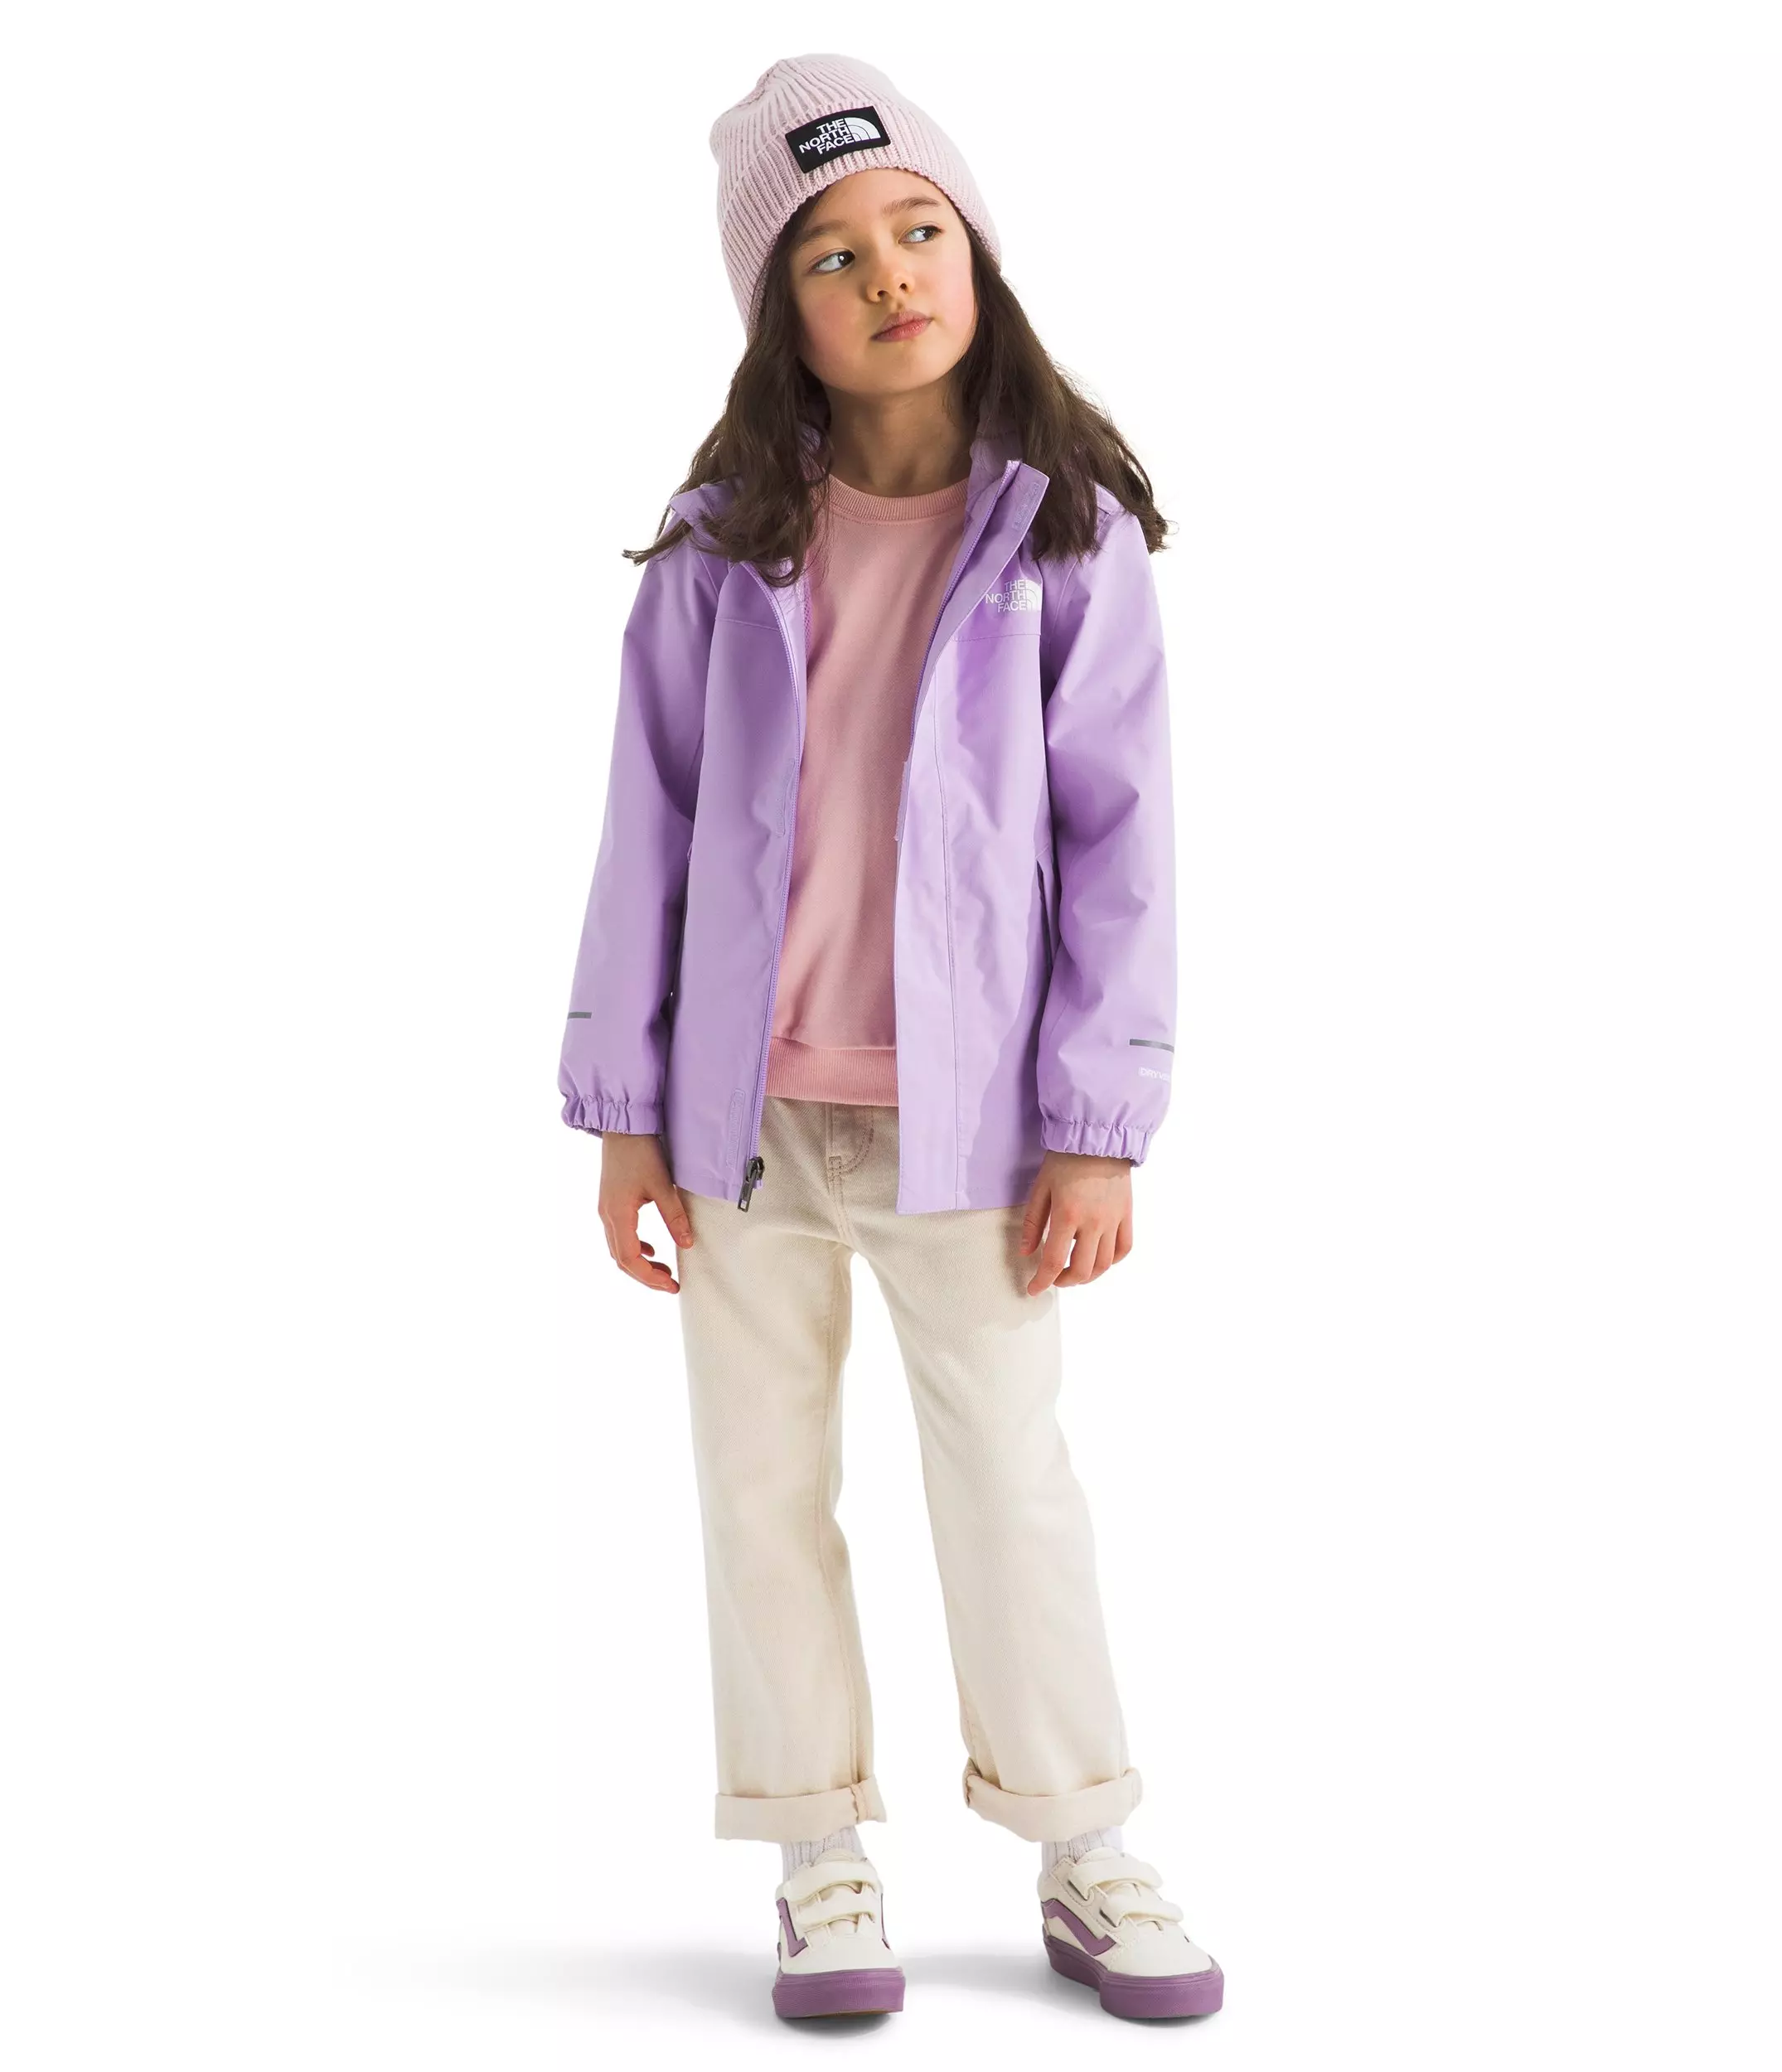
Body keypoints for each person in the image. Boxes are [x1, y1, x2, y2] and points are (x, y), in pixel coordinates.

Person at [558, 53, 1223, 2023]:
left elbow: (1123, 849)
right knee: (758, 1484)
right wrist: (623, 1110)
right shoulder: (716, 543)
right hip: (740, 1121)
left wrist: (1096, 1121)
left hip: (978, 1126)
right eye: (830, 254)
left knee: (1007, 1476)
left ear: (976, 252)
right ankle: (816, 1853)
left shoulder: (1064, 536)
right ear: (781, 311)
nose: (887, 272)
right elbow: (648, 829)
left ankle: (1082, 1835)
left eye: (916, 228)